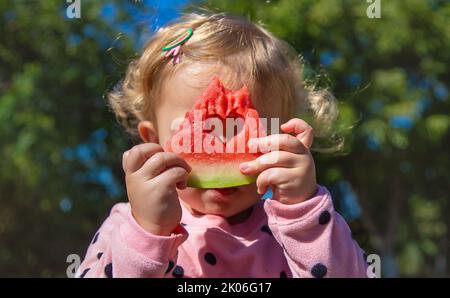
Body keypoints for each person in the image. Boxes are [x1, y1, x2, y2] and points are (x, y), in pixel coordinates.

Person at [76, 13, 368, 278]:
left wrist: (303, 212)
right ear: (153, 141)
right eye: (202, 131)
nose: (221, 145)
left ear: (284, 139)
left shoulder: (305, 225)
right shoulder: (126, 225)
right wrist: (148, 233)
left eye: (244, 130)